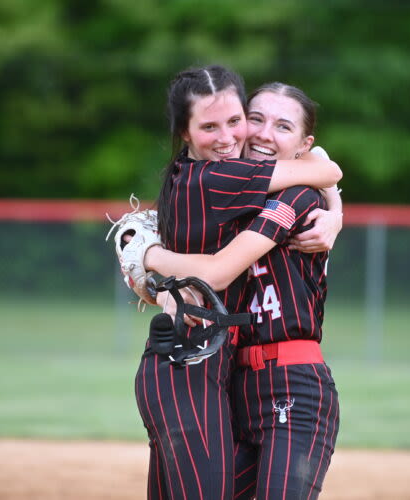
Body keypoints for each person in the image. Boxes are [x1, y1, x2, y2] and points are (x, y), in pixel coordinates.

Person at [134, 65, 342, 499]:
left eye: (282, 126)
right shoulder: (226, 183)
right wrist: (142, 262)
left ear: (304, 145)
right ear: (187, 134)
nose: (261, 133)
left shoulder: (299, 195)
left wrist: (334, 210)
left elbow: (324, 171)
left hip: (291, 380)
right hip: (228, 382)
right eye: (256, 118)